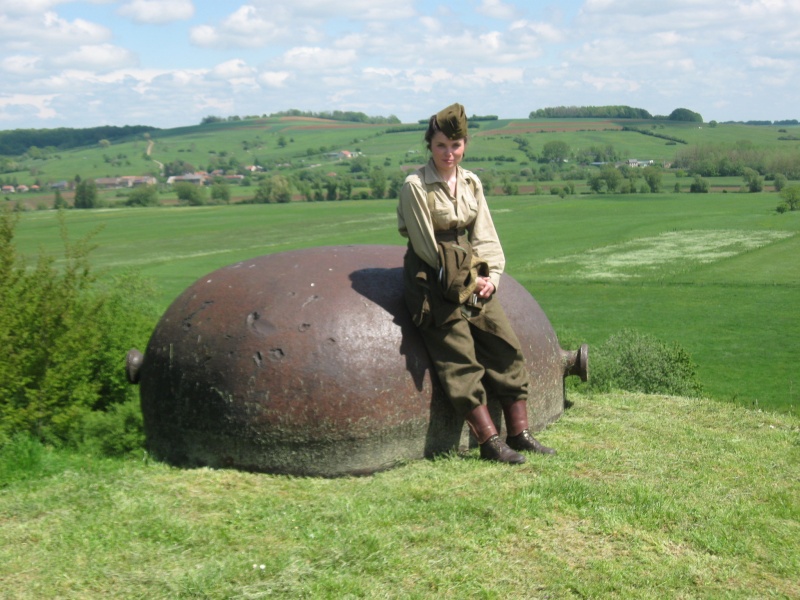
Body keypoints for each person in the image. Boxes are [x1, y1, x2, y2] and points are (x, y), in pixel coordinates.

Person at [397, 102, 555, 464]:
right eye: (440, 145)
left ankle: (521, 433)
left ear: (465, 144)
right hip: (432, 277)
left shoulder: (471, 182)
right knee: (458, 356)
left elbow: (485, 235)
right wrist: (466, 278)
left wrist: (491, 278)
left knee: (504, 343)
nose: (448, 153)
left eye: (455, 145)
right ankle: (489, 442)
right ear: (429, 146)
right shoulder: (415, 186)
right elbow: (426, 246)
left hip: (469, 269)